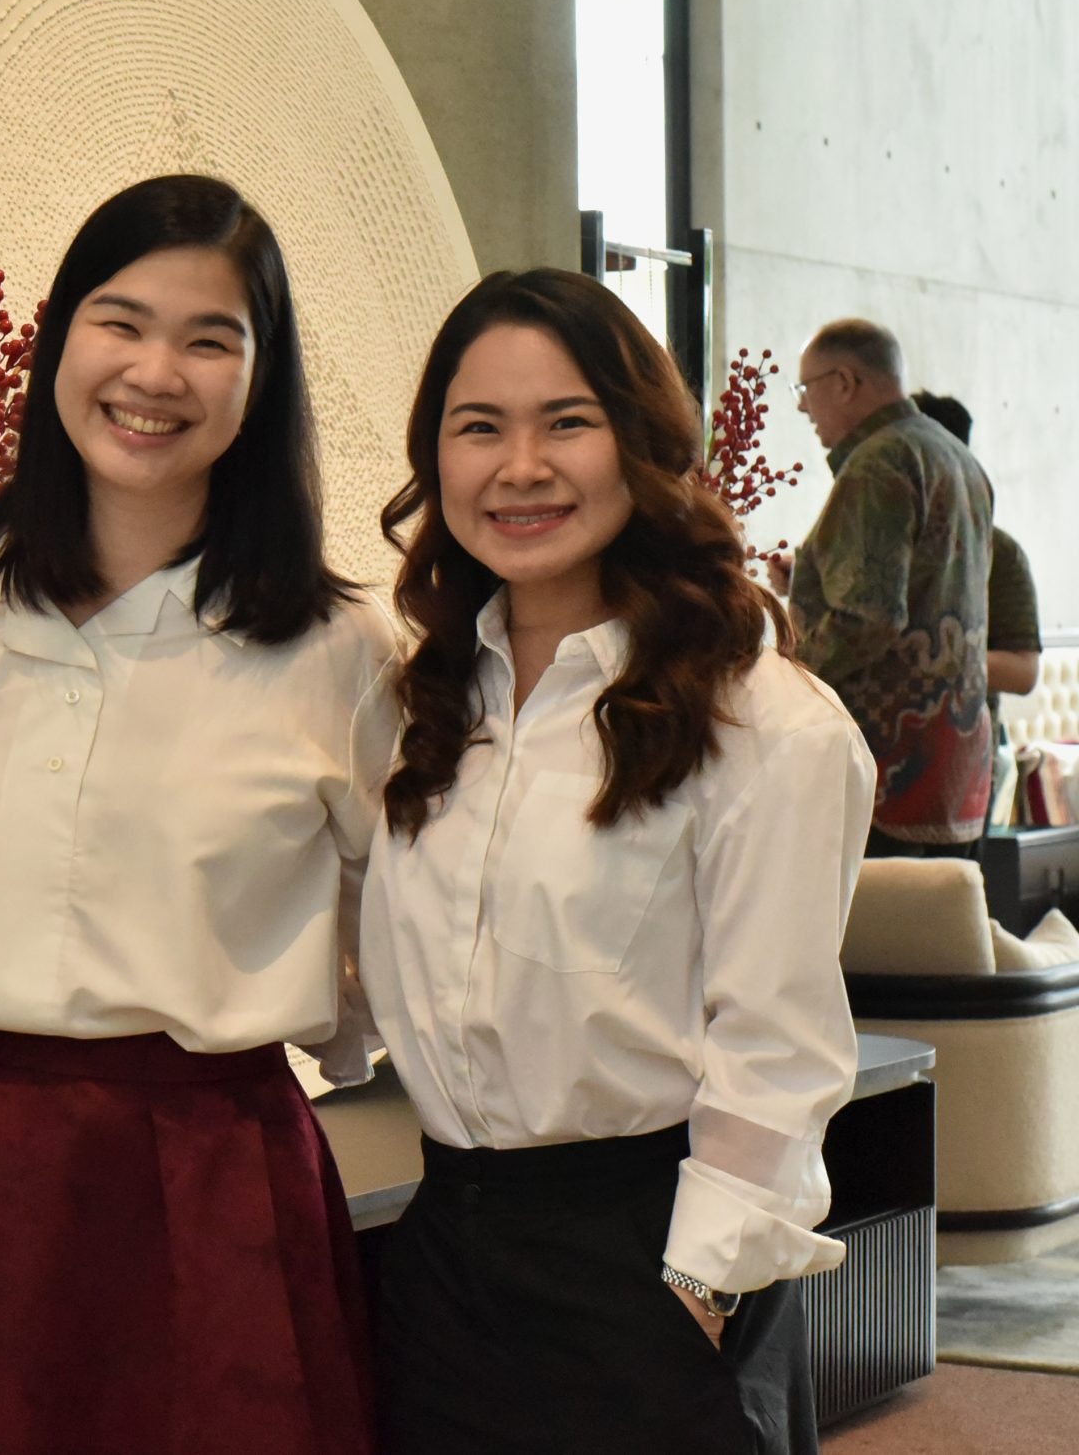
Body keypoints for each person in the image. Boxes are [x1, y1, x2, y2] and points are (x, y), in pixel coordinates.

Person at [0, 174, 395, 1455]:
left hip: (215, 1174)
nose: (155, 373)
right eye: (121, 321)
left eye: (210, 339)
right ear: (59, 339)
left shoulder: (337, 648)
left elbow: (399, 917)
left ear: (261, 379)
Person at [362, 269, 875, 1455]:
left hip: (643, 1265)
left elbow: (777, 1048)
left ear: (640, 444)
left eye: (566, 422)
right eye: (478, 427)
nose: (520, 467)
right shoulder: (420, 701)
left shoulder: (761, 721)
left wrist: (696, 1296)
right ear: (434, 458)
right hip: (443, 1255)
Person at [773, 317, 993, 857]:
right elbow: (926, 587)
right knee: (942, 909)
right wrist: (810, 579)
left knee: (877, 915)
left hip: (886, 767)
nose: (803, 408)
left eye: (805, 389)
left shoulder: (878, 462)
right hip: (955, 766)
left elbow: (869, 619)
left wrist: (781, 683)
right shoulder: (957, 457)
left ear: (844, 382)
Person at [910, 391, 1041, 715]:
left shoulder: (1000, 551)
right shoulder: (879, 541)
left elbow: (1023, 672)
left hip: (961, 729)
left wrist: (921, 661)